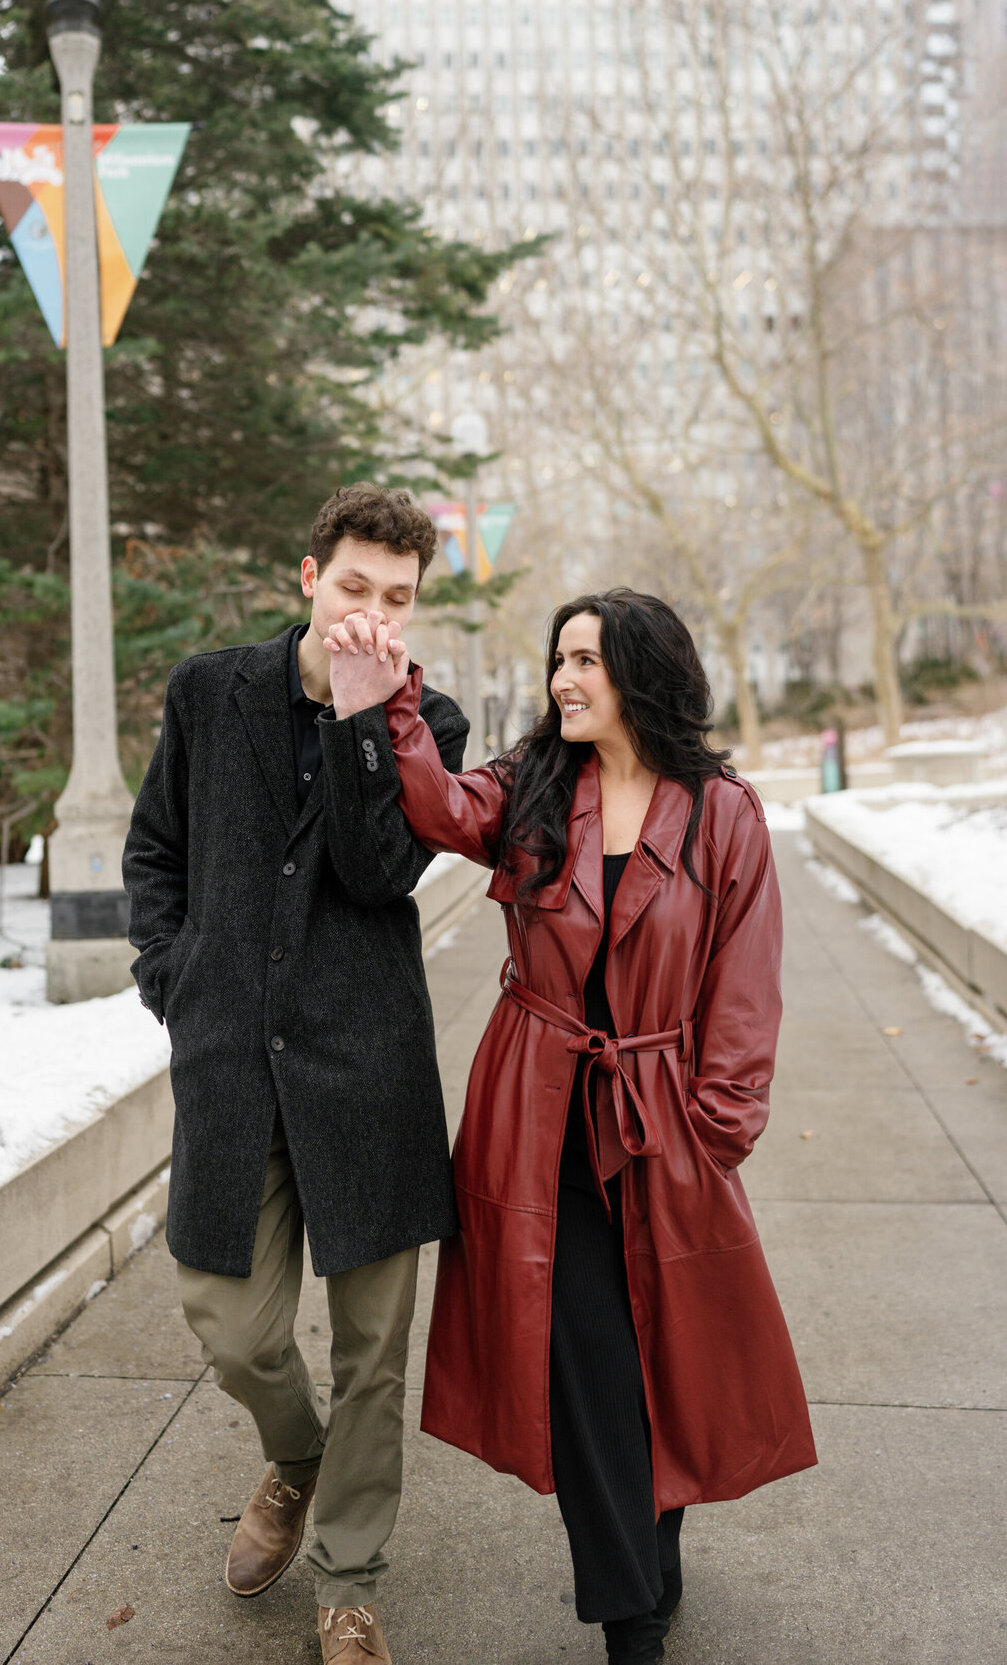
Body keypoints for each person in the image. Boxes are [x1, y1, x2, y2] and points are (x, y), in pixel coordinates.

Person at [324, 587, 817, 1665]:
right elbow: (443, 810)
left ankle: (655, 1553)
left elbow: (745, 981)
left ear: (644, 671)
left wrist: (717, 1126)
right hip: (537, 1117)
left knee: (659, 1358)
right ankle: (629, 1618)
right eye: (559, 659)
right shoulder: (535, 785)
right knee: (582, 1355)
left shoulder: (722, 811)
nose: (564, 679)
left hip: (662, 1123)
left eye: (586, 659)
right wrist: (388, 706)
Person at [122, 485, 468, 1665]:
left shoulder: (435, 724)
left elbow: (379, 876)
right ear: (308, 578)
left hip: (365, 1067)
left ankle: (352, 1578)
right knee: (231, 1324)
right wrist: (174, 975)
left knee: (372, 1351)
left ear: (415, 606)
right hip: (228, 1061)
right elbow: (156, 846)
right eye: (355, 586)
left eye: (398, 598)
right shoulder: (208, 692)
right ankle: (298, 1456)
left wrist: (370, 723)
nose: (371, 613)